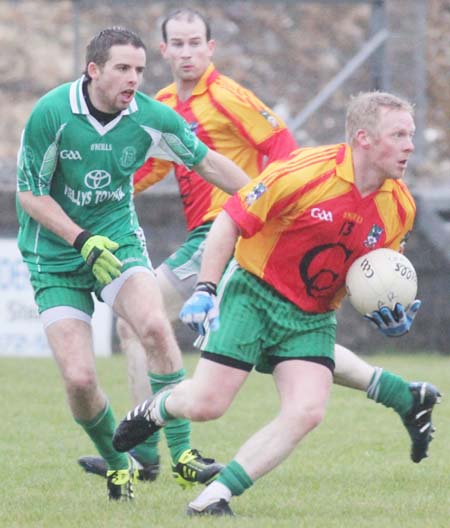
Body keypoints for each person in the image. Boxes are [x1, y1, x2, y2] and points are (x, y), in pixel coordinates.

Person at [79, 9, 440, 484]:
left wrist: (279, 213)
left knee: (140, 323)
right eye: (178, 44)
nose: (187, 52)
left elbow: (285, 150)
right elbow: (150, 170)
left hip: (225, 226)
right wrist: (100, 195)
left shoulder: (229, 97)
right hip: (210, 232)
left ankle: (150, 452)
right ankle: (400, 393)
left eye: (195, 43)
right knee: (292, 346)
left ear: (211, 48)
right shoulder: (165, 103)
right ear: (163, 51)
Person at [16, 26, 251, 501]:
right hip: (55, 256)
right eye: (123, 69)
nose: (134, 79)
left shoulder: (152, 118)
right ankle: (118, 462)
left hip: (118, 242)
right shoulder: (53, 113)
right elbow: (29, 195)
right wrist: (81, 240)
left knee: (156, 328)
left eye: (140, 70)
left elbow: (207, 163)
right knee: (80, 381)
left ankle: (183, 456)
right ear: (94, 70)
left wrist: (265, 202)